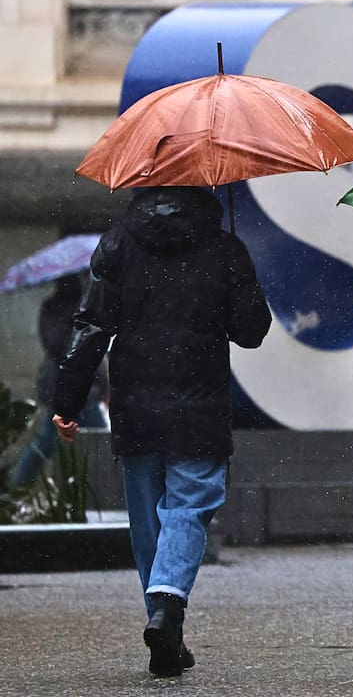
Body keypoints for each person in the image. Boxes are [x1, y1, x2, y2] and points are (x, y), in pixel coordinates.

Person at [51, 186, 271, 678]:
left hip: (135, 403)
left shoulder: (119, 242)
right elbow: (252, 330)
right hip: (200, 403)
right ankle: (168, 608)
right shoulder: (222, 246)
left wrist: (67, 401)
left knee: (149, 521)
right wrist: (235, 275)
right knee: (189, 506)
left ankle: (165, 627)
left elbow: (90, 325)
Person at [7, 275, 109, 488]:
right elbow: (61, 345)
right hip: (70, 385)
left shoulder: (72, 306)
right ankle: (17, 485)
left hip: (70, 385)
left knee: (59, 440)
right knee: (95, 440)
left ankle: (18, 485)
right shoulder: (68, 307)